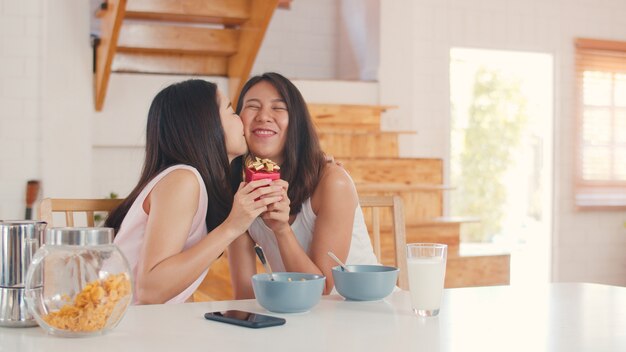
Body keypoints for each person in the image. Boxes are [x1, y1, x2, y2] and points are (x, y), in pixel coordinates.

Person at [105, 79, 283, 304]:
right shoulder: (183, 181)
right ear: (206, 124)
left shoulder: (195, 182)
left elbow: (175, 287)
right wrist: (232, 227)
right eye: (230, 110)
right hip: (117, 326)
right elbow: (150, 291)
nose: (240, 119)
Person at [228, 72, 378, 298]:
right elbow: (245, 294)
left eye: (278, 108)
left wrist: (281, 229)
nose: (264, 116)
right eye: (252, 106)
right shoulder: (241, 192)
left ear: (296, 121)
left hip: (362, 314)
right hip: (299, 317)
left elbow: (322, 290)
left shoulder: (332, 182)